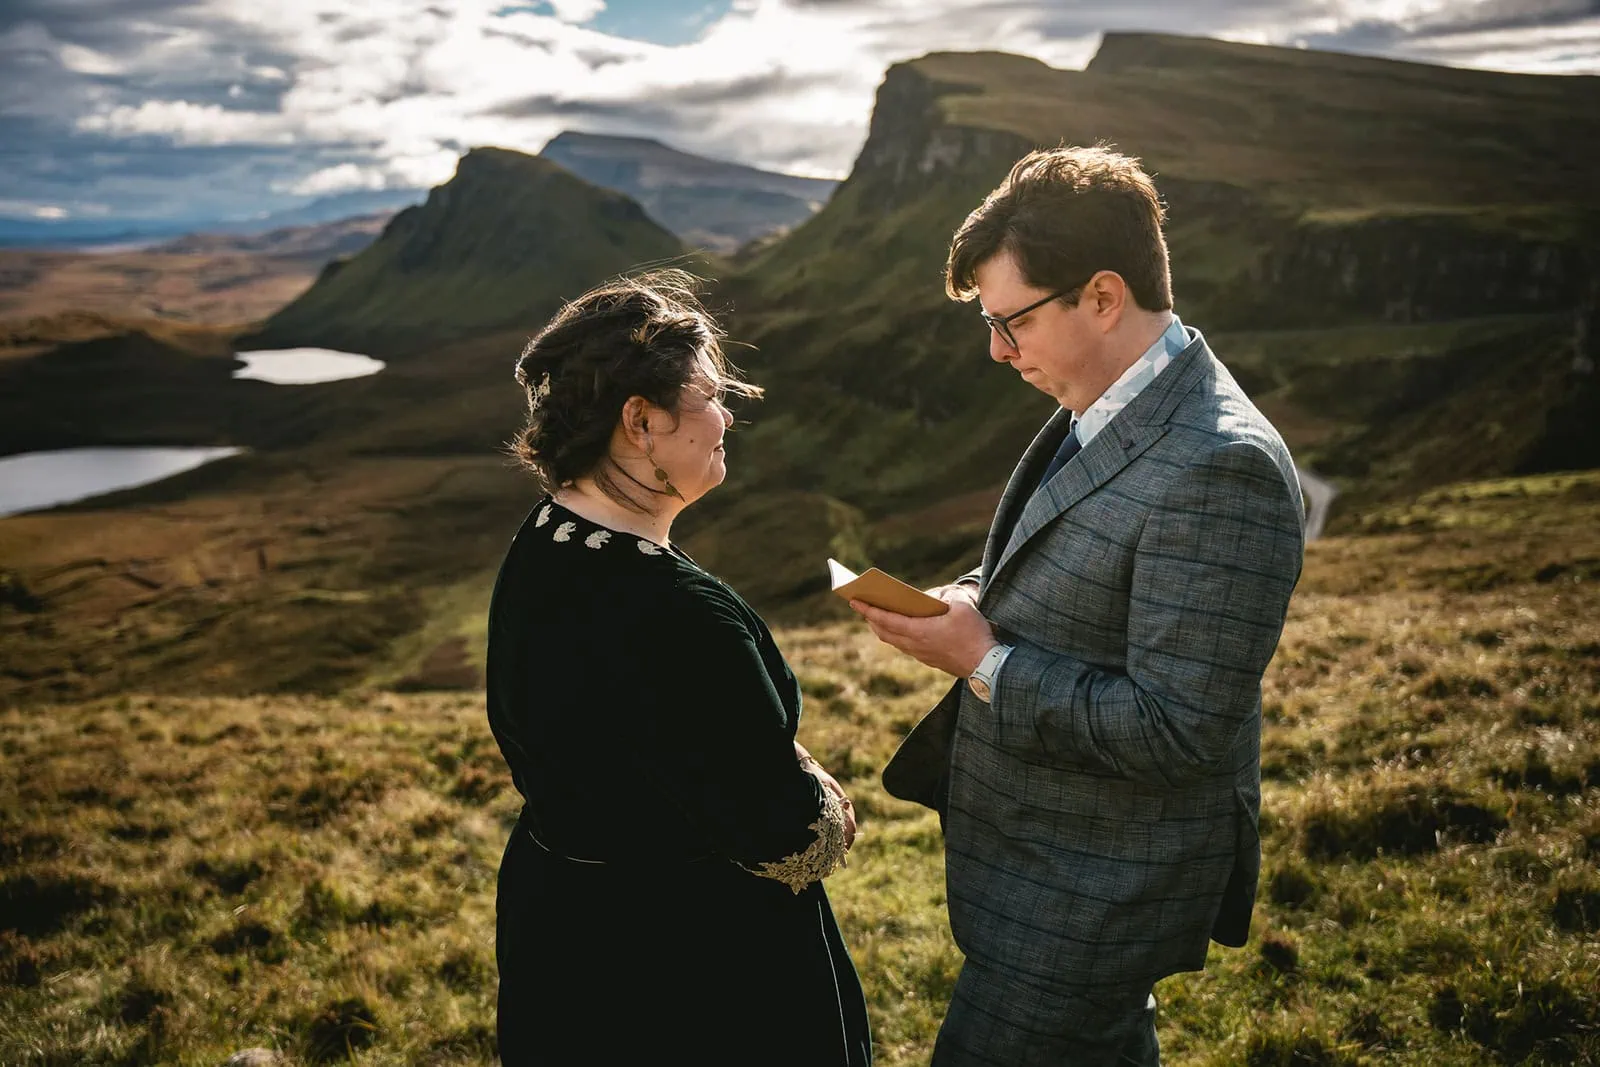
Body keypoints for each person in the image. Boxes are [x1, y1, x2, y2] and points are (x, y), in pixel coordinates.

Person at [855, 146, 1306, 1065]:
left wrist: (981, 660)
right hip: (1039, 866)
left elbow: (1178, 730)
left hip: (1097, 894)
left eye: (1010, 322)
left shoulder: (1223, 466)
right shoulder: (1102, 400)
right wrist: (977, 602)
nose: (996, 350)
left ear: (1102, 297)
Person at [486, 269, 872, 1066]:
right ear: (641, 419)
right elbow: (779, 824)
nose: (727, 415)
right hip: (694, 963)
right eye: (709, 396)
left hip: (563, 932)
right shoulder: (682, 615)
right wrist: (825, 801)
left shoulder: (543, 539)